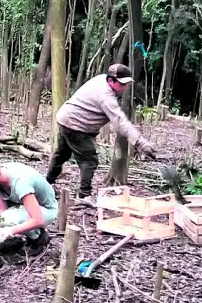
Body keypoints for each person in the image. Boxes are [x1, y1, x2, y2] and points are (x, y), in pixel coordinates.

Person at [46, 63, 155, 203]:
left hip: (65, 117)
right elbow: (120, 122)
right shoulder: (105, 96)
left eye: (126, 84)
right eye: (122, 84)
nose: (125, 87)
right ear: (111, 80)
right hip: (75, 125)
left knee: (61, 154)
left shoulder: (101, 79)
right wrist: (141, 142)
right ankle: (84, 195)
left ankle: (47, 184)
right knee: (89, 160)